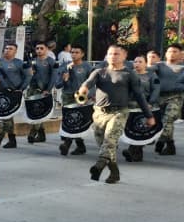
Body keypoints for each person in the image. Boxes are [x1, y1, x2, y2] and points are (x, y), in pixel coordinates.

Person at [78, 44, 155, 184]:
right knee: (106, 145)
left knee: (110, 139)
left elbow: (139, 95)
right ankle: (114, 172)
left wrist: (149, 115)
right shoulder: (99, 72)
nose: (113, 56)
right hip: (99, 113)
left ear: (124, 56)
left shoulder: (129, 74)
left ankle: (99, 165)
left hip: (119, 112)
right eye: (110, 54)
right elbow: (88, 83)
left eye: (116, 54)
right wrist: (83, 90)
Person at [55, 44, 95, 155]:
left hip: (82, 97)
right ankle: (80, 146)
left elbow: (92, 83)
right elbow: (57, 85)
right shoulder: (64, 66)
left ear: (82, 54)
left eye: (77, 52)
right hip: (67, 97)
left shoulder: (87, 67)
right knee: (70, 121)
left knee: (78, 120)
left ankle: (67, 144)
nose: (74, 54)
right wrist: (64, 79)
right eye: (72, 52)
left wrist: (90, 95)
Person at [121, 55, 161, 162]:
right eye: (135, 61)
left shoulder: (152, 75)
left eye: (140, 61)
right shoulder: (128, 75)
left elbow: (156, 90)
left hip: (145, 106)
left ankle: (132, 151)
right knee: (131, 128)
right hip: (130, 106)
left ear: (145, 63)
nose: (137, 64)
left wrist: (150, 103)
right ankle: (137, 154)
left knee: (141, 129)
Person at [0, 44, 28, 148]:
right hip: (1, 93)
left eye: (10, 49)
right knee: (7, 115)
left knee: (6, 116)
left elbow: (28, 76)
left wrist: (21, 88)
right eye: (6, 48)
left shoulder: (19, 63)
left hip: (14, 92)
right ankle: (12, 140)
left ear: (15, 51)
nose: (7, 50)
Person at [150, 44, 183, 155]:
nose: (171, 53)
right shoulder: (160, 65)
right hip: (159, 98)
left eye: (175, 51)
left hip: (176, 97)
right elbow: (148, 70)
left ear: (181, 54)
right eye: (169, 51)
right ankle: (170, 146)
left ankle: (162, 139)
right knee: (163, 121)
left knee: (168, 118)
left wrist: (178, 86)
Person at [25, 42, 56, 143]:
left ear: (46, 49)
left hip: (44, 90)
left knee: (39, 111)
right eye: (37, 48)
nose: (39, 50)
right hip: (32, 89)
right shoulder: (32, 61)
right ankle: (41, 134)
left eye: (41, 48)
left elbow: (53, 76)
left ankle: (33, 132)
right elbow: (27, 74)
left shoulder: (51, 61)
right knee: (33, 111)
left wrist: (48, 89)